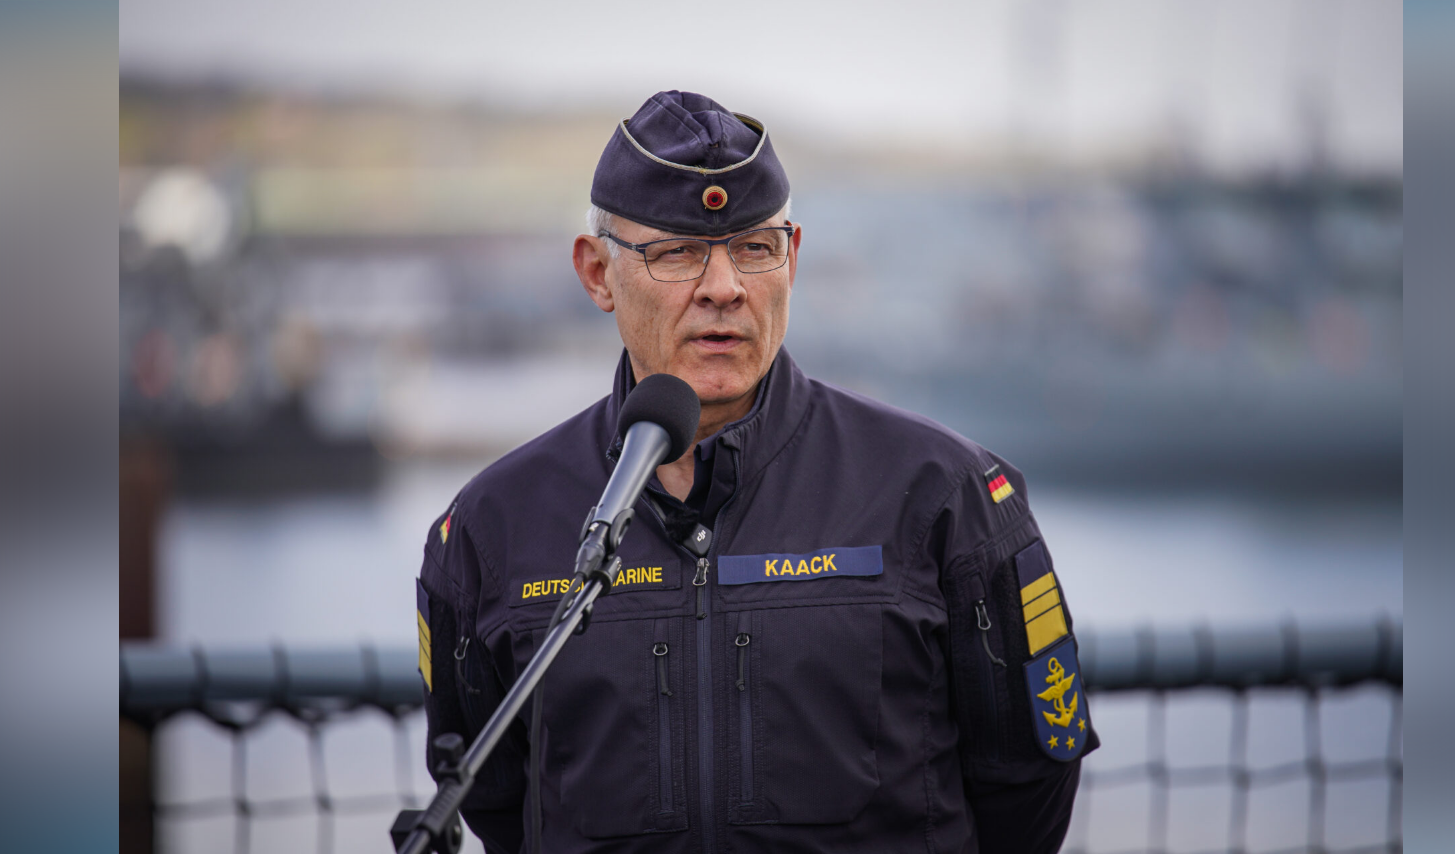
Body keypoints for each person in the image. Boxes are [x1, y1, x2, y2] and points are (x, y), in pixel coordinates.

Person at [416, 90, 1097, 854]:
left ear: (792, 259)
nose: (724, 287)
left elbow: (1027, 790)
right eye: (677, 252)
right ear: (597, 273)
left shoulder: (945, 494)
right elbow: (497, 802)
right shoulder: (493, 525)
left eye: (754, 247)